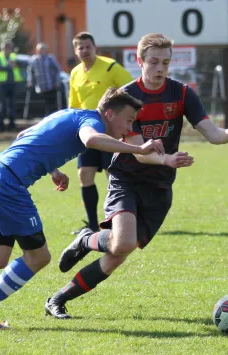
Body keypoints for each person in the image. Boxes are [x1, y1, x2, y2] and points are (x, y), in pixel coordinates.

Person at [0, 87, 165, 330]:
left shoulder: (71, 113)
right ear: (110, 113)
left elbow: (23, 135)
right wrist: (137, 148)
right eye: (129, 120)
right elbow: (91, 140)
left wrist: (52, 169)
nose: (130, 127)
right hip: (8, 183)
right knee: (38, 257)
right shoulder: (92, 122)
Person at [44, 33, 228, 319]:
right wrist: (167, 159)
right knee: (121, 243)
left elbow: (212, 133)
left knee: (119, 255)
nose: (160, 68)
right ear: (140, 60)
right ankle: (87, 239)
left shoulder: (182, 94)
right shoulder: (128, 97)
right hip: (127, 178)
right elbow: (136, 150)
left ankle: (57, 299)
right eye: (154, 62)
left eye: (166, 63)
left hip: (159, 186)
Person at [69, 32, 133, 235]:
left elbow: (130, 91)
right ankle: (92, 224)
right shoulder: (75, 73)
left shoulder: (111, 67)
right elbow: (73, 105)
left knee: (112, 175)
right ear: (75, 51)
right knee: (84, 174)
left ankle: (118, 219)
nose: (85, 51)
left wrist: (124, 120)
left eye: (88, 46)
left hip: (109, 132)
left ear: (95, 47)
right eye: (81, 47)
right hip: (87, 133)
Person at [27, 42, 64, 115]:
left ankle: (53, 118)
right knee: (44, 105)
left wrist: (57, 81)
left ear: (46, 50)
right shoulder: (34, 60)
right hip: (41, 87)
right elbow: (30, 71)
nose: (41, 51)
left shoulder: (50, 58)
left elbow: (58, 70)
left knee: (52, 105)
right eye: (39, 49)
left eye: (43, 49)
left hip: (51, 85)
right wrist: (30, 81)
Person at [0, 41, 23, 132]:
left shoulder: (14, 56)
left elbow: (19, 65)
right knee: (2, 106)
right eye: (7, 47)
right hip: (2, 84)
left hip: (13, 84)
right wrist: (10, 66)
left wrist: (11, 65)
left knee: (12, 106)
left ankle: (12, 126)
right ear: (3, 48)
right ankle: (0, 126)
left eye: (10, 47)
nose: (9, 49)